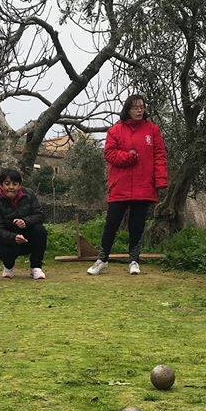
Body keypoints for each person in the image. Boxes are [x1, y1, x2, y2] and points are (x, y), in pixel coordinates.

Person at [87, 94, 167, 276]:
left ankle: (134, 261)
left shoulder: (153, 130)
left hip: (143, 185)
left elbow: (160, 156)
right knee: (111, 224)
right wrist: (128, 157)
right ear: (127, 110)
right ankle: (102, 259)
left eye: (142, 107)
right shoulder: (115, 131)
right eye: (135, 107)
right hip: (120, 185)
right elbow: (109, 153)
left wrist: (161, 181)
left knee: (137, 225)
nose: (139, 110)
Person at [0, 167, 47, 280]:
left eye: (14, 184)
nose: (11, 187)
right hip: (7, 238)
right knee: (1, 244)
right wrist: (13, 237)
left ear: (19, 185)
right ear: (1, 185)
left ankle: (36, 267)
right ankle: (8, 266)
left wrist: (26, 222)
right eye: (7, 183)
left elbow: (40, 215)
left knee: (40, 231)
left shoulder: (29, 194)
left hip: (27, 235)